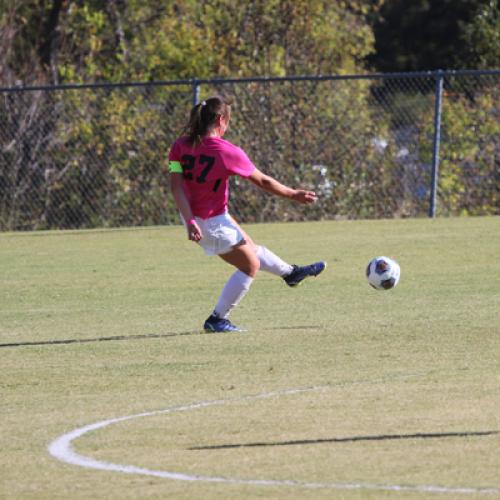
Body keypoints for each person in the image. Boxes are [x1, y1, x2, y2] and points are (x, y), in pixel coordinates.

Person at [168, 95, 326, 332]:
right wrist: (293, 194)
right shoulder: (227, 151)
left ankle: (291, 274)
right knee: (250, 265)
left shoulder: (179, 146)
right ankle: (217, 319)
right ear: (221, 120)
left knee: (251, 249)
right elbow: (262, 180)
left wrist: (189, 220)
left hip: (197, 217)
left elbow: (176, 186)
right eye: (228, 121)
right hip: (211, 222)